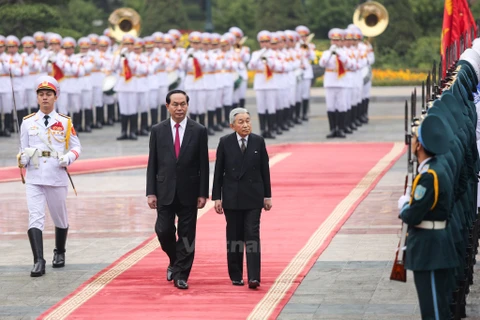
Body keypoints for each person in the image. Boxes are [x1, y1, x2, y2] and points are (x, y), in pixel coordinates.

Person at [17, 75, 82, 277]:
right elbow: (23, 147)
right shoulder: (28, 122)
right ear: (37, 98)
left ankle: (60, 251)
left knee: (59, 217)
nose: (45, 98)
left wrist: (68, 158)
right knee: (35, 216)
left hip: (56, 174)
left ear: (56, 97)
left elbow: (76, 146)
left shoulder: (64, 121)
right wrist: (21, 159)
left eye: (49, 94)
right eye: (41, 94)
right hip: (35, 176)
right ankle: (38, 260)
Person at [146, 90, 209, 290]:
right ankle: (174, 259)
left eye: (183, 104)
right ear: (168, 106)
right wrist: (150, 191)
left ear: (187, 106)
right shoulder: (158, 130)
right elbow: (152, 163)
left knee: (187, 236)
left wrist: (202, 193)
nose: (179, 108)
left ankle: (181, 274)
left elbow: (204, 164)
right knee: (163, 230)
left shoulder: (198, 130)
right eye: (175, 104)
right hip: (164, 190)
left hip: (189, 191)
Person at [397, 113, 458, 319]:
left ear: (420, 146)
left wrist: (404, 206)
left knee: (433, 312)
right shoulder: (434, 169)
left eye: (414, 139)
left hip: (429, 249)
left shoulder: (429, 176)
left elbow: (413, 216)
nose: (411, 142)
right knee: (437, 308)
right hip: (435, 245)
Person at [212, 107, 272, 289]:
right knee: (235, 237)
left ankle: (254, 276)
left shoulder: (258, 141)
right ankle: (236, 274)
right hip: (232, 197)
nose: (245, 125)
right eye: (241, 122)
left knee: (252, 235)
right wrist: (217, 197)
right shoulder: (225, 142)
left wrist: (267, 196)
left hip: (253, 197)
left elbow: (264, 171)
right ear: (232, 125)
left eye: (248, 121)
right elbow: (218, 172)